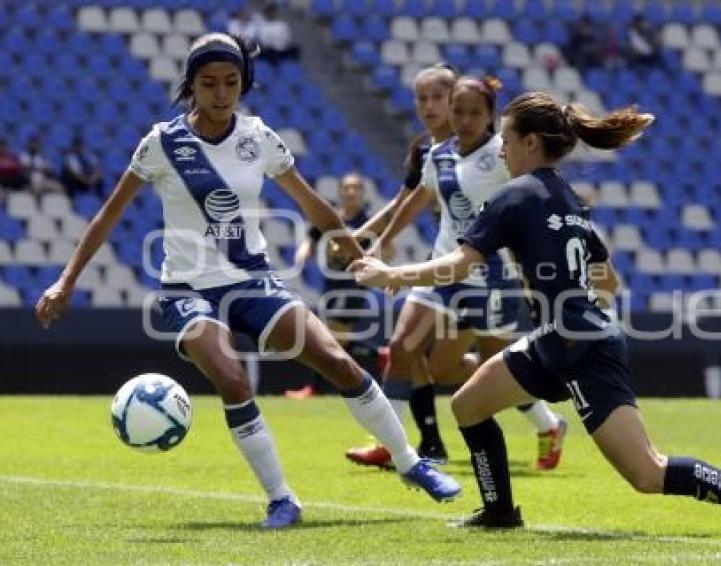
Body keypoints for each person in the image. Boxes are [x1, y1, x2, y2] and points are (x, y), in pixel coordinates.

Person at [35, 32, 460, 529]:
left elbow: (308, 201)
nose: (221, 92)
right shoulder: (162, 144)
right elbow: (107, 216)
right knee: (234, 380)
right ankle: (282, 499)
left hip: (253, 279)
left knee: (336, 361)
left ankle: (410, 463)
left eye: (231, 82)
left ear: (244, 83)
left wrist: (348, 244)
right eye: (209, 82)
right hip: (187, 290)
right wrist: (65, 281)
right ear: (191, 85)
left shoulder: (258, 136)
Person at [349, 91, 721, 535]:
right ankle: (499, 512)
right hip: (559, 337)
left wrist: (391, 276)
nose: (503, 152)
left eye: (508, 142)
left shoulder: (516, 195)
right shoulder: (570, 199)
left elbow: (459, 265)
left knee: (647, 473)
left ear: (530, 143)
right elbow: (609, 281)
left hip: (581, 348)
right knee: (468, 405)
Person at [347, 76, 566, 471]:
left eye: (475, 113)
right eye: (458, 111)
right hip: (443, 269)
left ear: (491, 117)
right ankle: (390, 444)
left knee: (485, 370)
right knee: (401, 347)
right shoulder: (439, 154)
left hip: (493, 280)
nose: (464, 120)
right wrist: (382, 242)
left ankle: (549, 425)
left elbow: (535, 194)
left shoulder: (503, 156)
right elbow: (418, 198)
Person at [290, 171, 379, 398]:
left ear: (362, 193)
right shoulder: (331, 219)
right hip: (330, 286)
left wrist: (372, 255)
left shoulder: (368, 221)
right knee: (337, 340)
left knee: (331, 338)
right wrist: (303, 254)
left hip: (353, 286)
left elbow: (388, 248)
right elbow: (312, 239)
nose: (351, 192)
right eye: (347, 187)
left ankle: (317, 388)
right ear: (340, 191)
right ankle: (378, 358)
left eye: (356, 188)